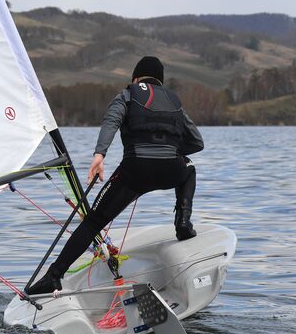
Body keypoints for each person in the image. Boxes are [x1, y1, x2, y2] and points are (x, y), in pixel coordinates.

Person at [25, 56, 204, 295]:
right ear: (160, 81)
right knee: (189, 168)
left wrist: (100, 155)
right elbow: (197, 142)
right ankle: (183, 222)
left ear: (136, 78)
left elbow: (111, 121)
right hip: (171, 169)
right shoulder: (174, 101)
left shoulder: (128, 94)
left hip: (134, 172)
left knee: (93, 222)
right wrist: (170, 152)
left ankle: (54, 276)